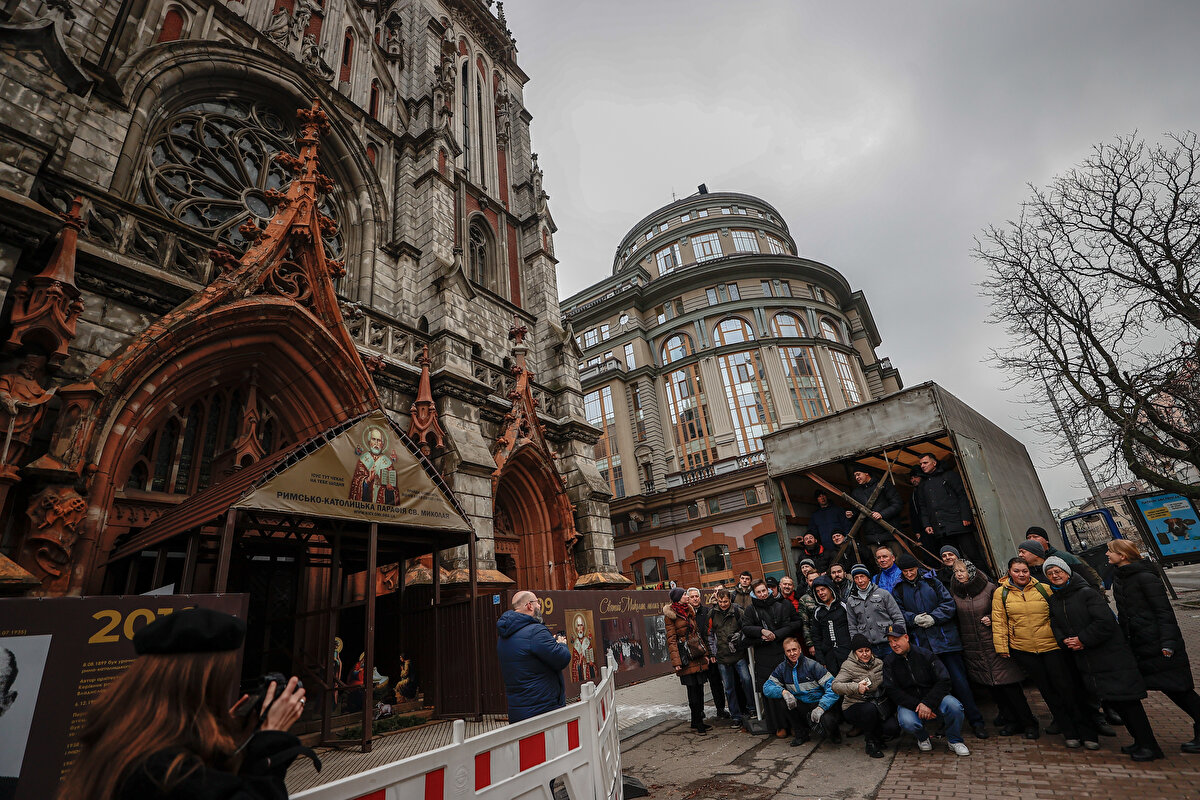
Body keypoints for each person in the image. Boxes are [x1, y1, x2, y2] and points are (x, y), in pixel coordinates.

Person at [57, 608, 315, 800]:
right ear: (199, 688)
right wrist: (271, 738)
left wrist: (227, 742)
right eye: (222, 682)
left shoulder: (123, 743)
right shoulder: (164, 771)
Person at [1043, 557, 1161, 760]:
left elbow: (1105, 623)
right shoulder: (1055, 599)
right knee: (1118, 701)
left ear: (1067, 572)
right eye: (1050, 573)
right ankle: (1139, 742)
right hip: (1089, 659)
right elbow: (1056, 624)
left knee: (1129, 702)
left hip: (1110, 656)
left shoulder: (1087, 593)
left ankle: (1149, 745)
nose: (1055, 576)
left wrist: (1082, 640)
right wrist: (1065, 641)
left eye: (1058, 571)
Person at [1108, 538, 1200, 753]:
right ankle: (1144, 742)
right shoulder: (1120, 577)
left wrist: (1168, 642)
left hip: (1158, 644)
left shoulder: (1144, 577)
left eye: (1110, 551)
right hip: (1140, 643)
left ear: (1122, 556)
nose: (1106, 554)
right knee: (1173, 689)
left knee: (1178, 690)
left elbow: (1163, 612)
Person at [992, 557, 1094, 747]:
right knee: (1048, 692)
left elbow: (1058, 614)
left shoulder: (1043, 588)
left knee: (1066, 688)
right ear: (1009, 573)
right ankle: (1069, 732)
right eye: (1017, 571)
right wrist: (1002, 647)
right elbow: (999, 621)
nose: (1021, 574)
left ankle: (1086, 731)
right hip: (1025, 649)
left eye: (1025, 571)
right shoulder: (1001, 593)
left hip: (1052, 647)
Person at [889, 552, 988, 738]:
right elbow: (899, 613)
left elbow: (949, 605)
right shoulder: (899, 589)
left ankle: (976, 721)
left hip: (946, 642)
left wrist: (934, 617)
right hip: (923, 646)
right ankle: (942, 724)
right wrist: (914, 618)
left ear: (917, 568)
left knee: (961, 684)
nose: (909, 574)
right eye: (905, 571)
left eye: (911, 570)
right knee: (933, 687)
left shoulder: (933, 582)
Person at [948, 559, 1037, 738]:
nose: (958, 574)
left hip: (994, 643)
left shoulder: (989, 588)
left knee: (1010, 686)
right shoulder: (955, 592)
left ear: (971, 571)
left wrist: (991, 617)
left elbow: (1004, 611)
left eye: (962, 570)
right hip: (973, 647)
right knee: (994, 689)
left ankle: (1028, 723)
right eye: (956, 571)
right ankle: (1011, 721)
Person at [883, 624, 970, 756]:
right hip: (910, 703)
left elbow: (944, 680)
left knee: (955, 706)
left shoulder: (925, 655)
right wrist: (918, 706)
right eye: (890, 642)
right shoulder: (889, 662)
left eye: (896, 640)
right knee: (907, 721)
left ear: (906, 638)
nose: (893, 644)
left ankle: (955, 740)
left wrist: (928, 703)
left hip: (934, 698)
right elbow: (892, 690)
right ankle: (923, 738)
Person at [742, 578, 804, 738]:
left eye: (764, 591)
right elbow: (746, 629)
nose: (762, 594)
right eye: (759, 592)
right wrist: (762, 632)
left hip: (783, 653)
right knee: (770, 694)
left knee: (789, 689)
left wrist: (777, 635)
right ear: (754, 594)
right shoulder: (750, 610)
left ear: (769, 591)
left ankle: (794, 725)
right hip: (764, 657)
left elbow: (797, 623)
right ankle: (778, 726)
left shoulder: (783, 604)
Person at [498, 591, 572, 723]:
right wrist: (561, 644)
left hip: (518, 709)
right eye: (537, 602)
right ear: (529, 606)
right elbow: (561, 659)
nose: (539, 605)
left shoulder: (504, 635)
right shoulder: (535, 631)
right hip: (543, 709)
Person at [762, 637, 841, 746]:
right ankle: (801, 734)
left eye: (794, 649)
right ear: (785, 652)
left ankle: (834, 733)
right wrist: (784, 692)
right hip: (801, 704)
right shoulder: (781, 668)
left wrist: (821, 707)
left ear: (800, 650)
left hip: (818, 703)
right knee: (783, 702)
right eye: (788, 651)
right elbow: (767, 687)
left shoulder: (813, 666)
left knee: (829, 721)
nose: (792, 653)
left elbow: (833, 688)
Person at [833, 634, 897, 758]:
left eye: (867, 650)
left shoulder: (879, 663)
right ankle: (871, 742)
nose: (865, 654)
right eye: (860, 651)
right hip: (854, 705)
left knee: (893, 728)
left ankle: (878, 738)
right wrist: (856, 687)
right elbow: (835, 686)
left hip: (878, 703)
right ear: (855, 653)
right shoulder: (848, 666)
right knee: (869, 710)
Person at [915, 454, 980, 565]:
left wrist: (966, 516)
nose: (922, 466)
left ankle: (985, 579)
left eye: (925, 463)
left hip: (959, 524)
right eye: (921, 464)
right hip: (941, 529)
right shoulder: (923, 484)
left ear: (934, 463)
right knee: (952, 560)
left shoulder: (949, 475)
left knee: (973, 555)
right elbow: (923, 506)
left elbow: (962, 496)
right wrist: (927, 524)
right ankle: (960, 581)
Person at [664, 587, 713, 733]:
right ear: (678, 597)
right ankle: (698, 723)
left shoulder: (689, 610)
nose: (687, 596)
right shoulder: (671, 615)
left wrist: (705, 653)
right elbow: (671, 640)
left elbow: (696, 633)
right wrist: (676, 662)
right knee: (692, 691)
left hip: (696, 654)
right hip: (685, 657)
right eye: (684, 594)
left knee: (699, 689)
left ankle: (696, 720)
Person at [709, 588, 756, 729]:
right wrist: (713, 653)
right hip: (722, 657)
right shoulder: (712, 614)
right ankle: (736, 716)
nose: (723, 604)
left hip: (738, 654)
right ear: (717, 600)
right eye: (720, 601)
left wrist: (740, 635)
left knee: (746, 680)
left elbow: (746, 628)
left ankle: (752, 708)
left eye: (725, 601)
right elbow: (710, 635)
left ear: (730, 600)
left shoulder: (738, 612)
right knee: (729, 688)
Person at [845, 563, 905, 659]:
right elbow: (852, 626)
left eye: (862, 576)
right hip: (869, 648)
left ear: (868, 577)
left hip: (889, 644)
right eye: (856, 578)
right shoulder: (851, 600)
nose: (860, 580)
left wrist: (899, 639)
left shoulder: (883, 594)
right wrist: (858, 645)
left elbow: (898, 618)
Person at [687, 587, 729, 720]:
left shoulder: (707, 611)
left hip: (709, 653)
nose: (695, 598)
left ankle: (720, 709)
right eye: (692, 596)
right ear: (688, 598)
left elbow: (711, 633)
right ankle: (699, 712)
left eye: (697, 596)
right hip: (695, 655)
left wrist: (711, 653)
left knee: (716, 682)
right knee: (697, 686)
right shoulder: (686, 613)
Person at [845, 467, 902, 554]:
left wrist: (882, 514)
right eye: (855, 476)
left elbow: (897, 504)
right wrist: (852, 515)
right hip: (871, 538)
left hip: (890, 534)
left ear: (866, 473)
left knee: (899, 560)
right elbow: (857, 513)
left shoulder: (884, 485)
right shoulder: (856, 493)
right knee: (881, 565)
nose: (856, 477)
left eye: (858, 474)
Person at [1024, 526, 1103, 589]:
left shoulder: (1064, 557)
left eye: (1035, 536)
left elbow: (1088, 576)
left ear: (1046, 540)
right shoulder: (1028, 561)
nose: (1031, 540)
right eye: (1028, 537)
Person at [810, 576, 853, 676]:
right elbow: (816, 637)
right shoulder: (818, 612)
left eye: (823, 589)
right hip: (830, 657)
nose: (820, 593)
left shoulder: (844, 605)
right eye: (817, 591)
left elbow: (854, 627)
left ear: (830, 589)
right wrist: (821, 659)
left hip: (848, 653)